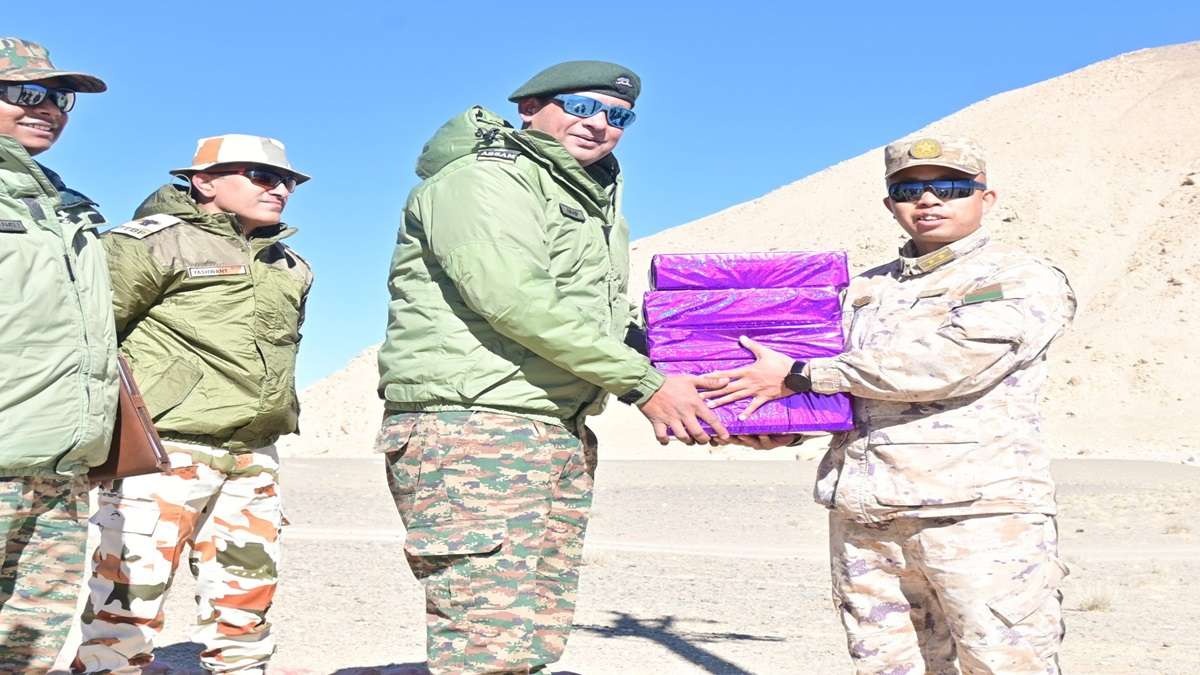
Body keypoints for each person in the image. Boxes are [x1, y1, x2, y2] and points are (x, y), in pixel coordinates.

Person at [375, 60, 726, 674]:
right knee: (486, 639)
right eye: (581, 107)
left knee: (535, 633)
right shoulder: (484, 179)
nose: (599, 124)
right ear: (531, 108)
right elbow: (513, 298)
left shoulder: (588, 202)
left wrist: (710, 380)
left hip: (553, 425)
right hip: (477, 425)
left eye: (619, 117)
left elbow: (603, 320)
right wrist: (645, 385)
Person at [704, 136, 1076, 673]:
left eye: (951, 187)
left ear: (986, 198)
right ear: (890, 204)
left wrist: (802, 377)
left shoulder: (1018, 277)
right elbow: (840, 391)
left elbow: (951, 363)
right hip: (866, 519)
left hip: (976, 517)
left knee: (1003, 662)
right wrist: (784, 423)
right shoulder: (863, 290)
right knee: (885, 666)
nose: (928, 200)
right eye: (908, 190)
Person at [74, 134, 313, 674]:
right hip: (164, 451)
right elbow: (89, 338)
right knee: (127, 604)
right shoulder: (148, 245)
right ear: (203, 181)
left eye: (288, 181)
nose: (280, 189)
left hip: (253, 455)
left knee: (245, 606)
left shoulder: (290, 265)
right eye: (262, 176)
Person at [0, 37, 117, 673]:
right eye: (24, 93)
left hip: (58, 462)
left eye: (59, 98)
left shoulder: (63, 207)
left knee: (31, 640)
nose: (46, 108)